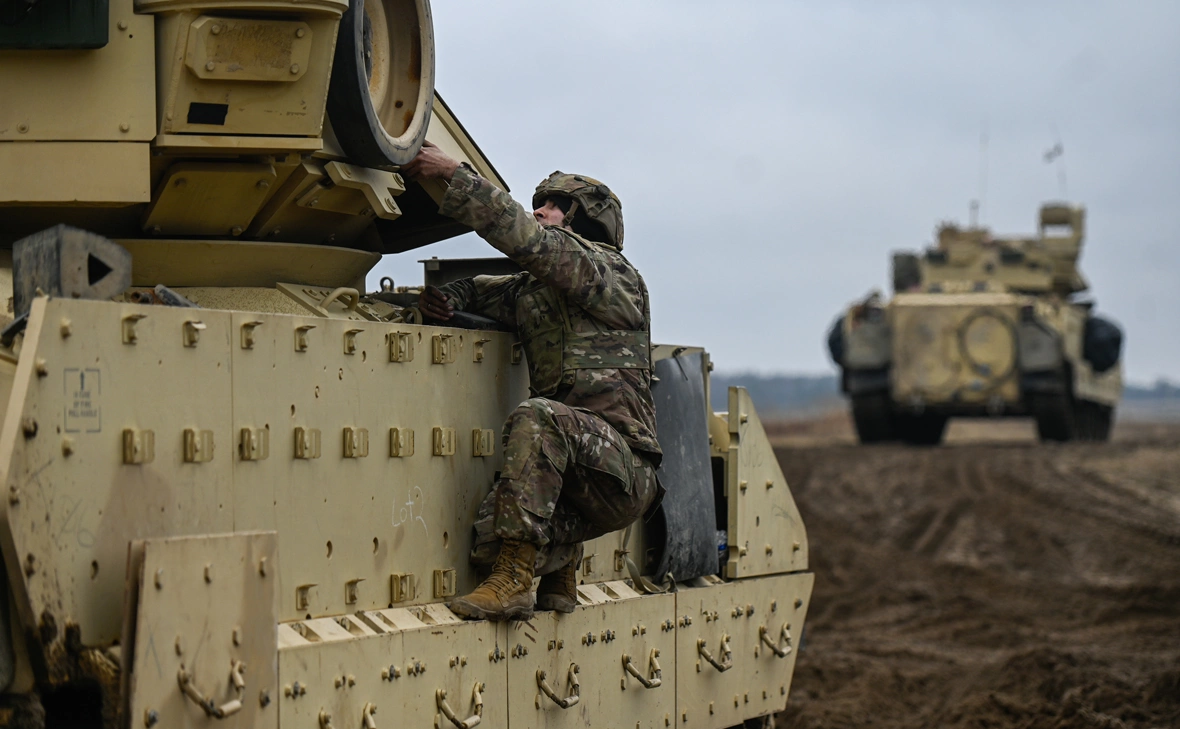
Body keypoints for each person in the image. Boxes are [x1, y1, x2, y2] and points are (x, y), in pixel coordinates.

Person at [401, 143, 663, 621]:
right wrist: (445, 300)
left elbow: (530, 242)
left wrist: (455, 175)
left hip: (624, 470)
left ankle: (515, 583)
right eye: (538, 203)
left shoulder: (612, 275)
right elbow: (481, 291)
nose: (540, 211)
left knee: (540, 418)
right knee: (485, 539)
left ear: (584, 221)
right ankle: (559, 576)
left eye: (554, 206)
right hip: (577, 472)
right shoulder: (534, 292)